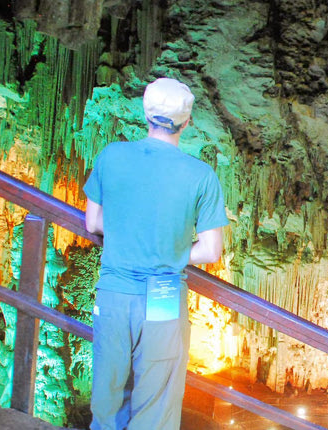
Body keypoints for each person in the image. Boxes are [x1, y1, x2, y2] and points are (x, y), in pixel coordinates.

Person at [83, 77, 229, 430]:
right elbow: (211, 249)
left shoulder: (112, 155)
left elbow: (94, 223)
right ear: (187, 122)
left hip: (115, 292)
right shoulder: (201, 175)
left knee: (107, 395)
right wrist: (173, 251)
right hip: (162, 296)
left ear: (145, 114)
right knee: (157, 400)